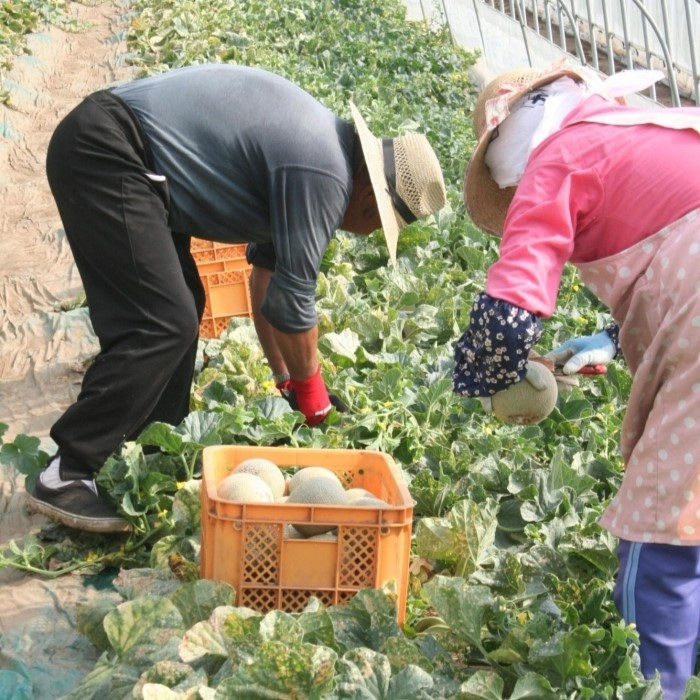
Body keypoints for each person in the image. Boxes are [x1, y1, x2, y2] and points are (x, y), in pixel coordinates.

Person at [27, 63, 447, 534]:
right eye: (381, 226)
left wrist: (286, 381)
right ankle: (67, 471)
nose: (369, 234)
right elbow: (294, 302)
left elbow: (268, 278)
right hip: (110, 152)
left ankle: (152, 451)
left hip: (130, 160)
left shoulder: (319, 156)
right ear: (371, 197)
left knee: (184, 304)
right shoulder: (324, 173)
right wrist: (315, 400)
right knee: (163, 322)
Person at [453, 62, 700, 698]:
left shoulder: (557, 155)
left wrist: (495, 369)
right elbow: (673, 233)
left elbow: (515, 301)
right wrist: (612, 341)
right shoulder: (640, 130)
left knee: (664, 531)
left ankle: (656, 689)